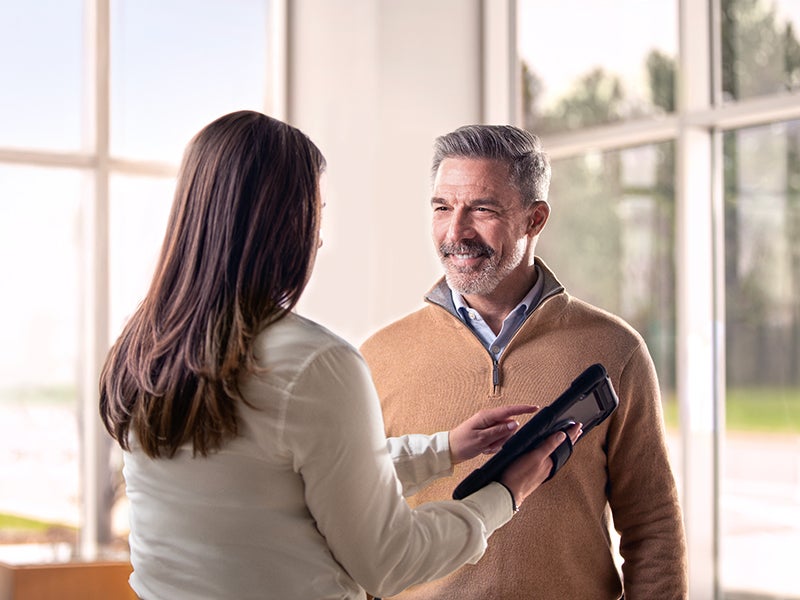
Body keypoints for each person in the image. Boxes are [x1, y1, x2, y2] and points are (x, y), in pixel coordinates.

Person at [98, 111, 580, 600]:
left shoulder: (143, 349)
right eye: (317, 210)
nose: (320, 236)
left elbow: (286, 473)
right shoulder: (319, 363)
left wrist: (445, 449)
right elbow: (390, 561)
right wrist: (506, 493)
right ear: (284, 220)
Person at [360, 124, 688, 599]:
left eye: (482, 209)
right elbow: (357, 522)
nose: (456, 231)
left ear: (534, 220)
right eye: (442, 208)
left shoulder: (615, 349)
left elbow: (653, 526)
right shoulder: (378, 358)